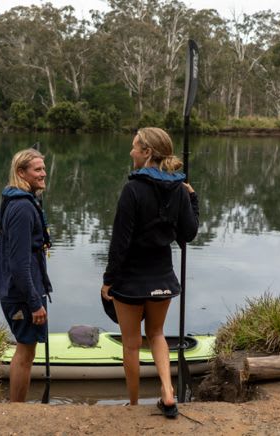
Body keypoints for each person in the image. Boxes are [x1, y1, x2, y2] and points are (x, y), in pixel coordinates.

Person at [100, 127, 199, 418]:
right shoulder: (179, 189)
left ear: (147, 152)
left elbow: (120, 241)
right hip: (162, 277)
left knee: (131, 345)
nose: (130, 152)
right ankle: (168, 393)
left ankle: (132, 405)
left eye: (134, 147)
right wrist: (193, 199)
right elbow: (189, 234)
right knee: (157, 334)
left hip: (130, 278)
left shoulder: (133, 189)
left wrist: (108, 280)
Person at [0, 148, 52, 402]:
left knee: (26, 348)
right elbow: (19, 264)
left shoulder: (22, 202)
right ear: (21, 173)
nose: (43, 173)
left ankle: (17, 406)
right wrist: (34, 302)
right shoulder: (22, 208)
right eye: (37, 169)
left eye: (43, 168)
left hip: (21, 290)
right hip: (21, 294)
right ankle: (17, 409)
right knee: (25, 350)